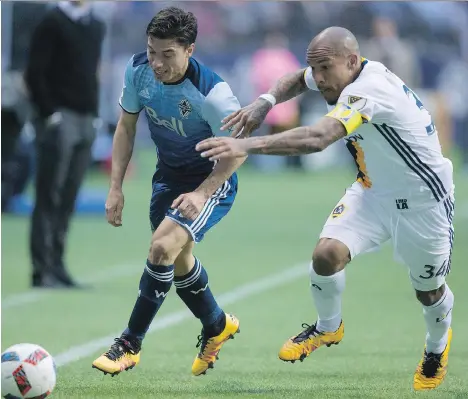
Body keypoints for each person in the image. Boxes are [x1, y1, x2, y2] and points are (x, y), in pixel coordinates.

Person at [197, 27, 455, 391]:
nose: (318, 79)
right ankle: (329, 327)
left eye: (325, 70)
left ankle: (435, 348)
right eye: (314, 69)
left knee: (428, 289)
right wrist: (266, 101)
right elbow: (296, 80)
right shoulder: (340, 70)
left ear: (351, 61)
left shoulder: (369, 90)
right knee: (326, 255)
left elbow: (318, 139)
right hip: (372, 191)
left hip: (423, 201)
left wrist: (246, 145)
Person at [92, 7, 245, 377]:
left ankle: (129, 343)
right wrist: (116, 187)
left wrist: (202, 193)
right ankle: (216, 324)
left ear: (189, 50)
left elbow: (238, 151)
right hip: (167, 178)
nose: (157, 63)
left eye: (167, 55)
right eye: (151, 52)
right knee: (178, 261)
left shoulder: (213, 93)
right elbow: (126, 126)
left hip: (212, 180)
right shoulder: (136, 70)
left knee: (161, 247)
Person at [25, 0, 105, 288]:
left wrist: (95, 114)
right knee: (49, 195)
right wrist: (50, 114)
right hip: (60, 118)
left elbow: (93, 73)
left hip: (86, 120)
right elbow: (34, 72)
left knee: (69, 196)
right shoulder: (51, 21)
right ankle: (41, 269)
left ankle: (57, 265)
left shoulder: (96, 25)